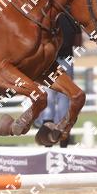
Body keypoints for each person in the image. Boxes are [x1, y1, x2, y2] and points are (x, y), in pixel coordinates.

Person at [37, 14, 81, 147]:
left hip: (50, 61)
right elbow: (78, 42)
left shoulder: (49, 15)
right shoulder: (72, 18)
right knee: (65, 99)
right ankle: (64, 141)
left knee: (48, 98)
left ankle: (47, 142)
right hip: (67, 61)